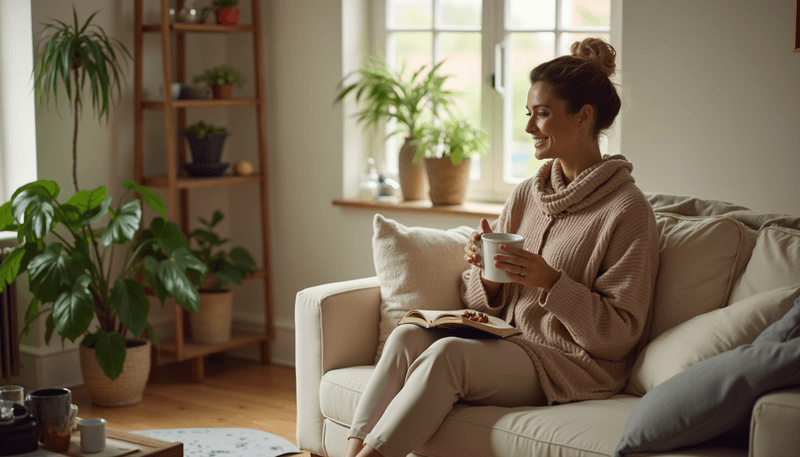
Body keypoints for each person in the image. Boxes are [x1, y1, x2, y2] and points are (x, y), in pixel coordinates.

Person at [345, 37, 660, 457]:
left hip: (571, 365)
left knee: (448, 357)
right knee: (407, 335)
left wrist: (549, 281)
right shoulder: (529, 192)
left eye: (542, 115)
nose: (529, 128)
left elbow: (620, 336)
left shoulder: (627, 210)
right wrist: (487, 275)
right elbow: (480, 299)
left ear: (583, 117)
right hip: (508, 340)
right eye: (528, 114)